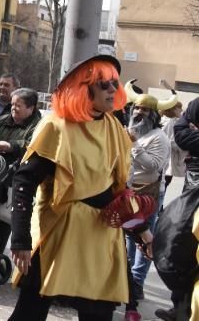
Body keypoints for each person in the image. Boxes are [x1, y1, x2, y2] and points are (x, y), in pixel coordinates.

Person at [8, 54, 149, 321]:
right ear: (85, 88)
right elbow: (24, 182)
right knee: (30, 312)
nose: (112, 89)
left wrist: (142, 230)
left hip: (101, 236)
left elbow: (117, 190)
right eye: (103, 83)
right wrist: (20, 240)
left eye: (114, 83)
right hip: (61, 233)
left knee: (98, 314)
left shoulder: (115, 129)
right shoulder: (56, 126)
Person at [122, 82, 173, 321]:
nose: (137, 113)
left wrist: (132, 145)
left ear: (153, 116)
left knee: (145, 240)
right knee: (130, 237)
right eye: (136, 109)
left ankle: (137, 282)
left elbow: (154, 166)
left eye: (143, 111)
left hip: (150, 194)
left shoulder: (159, 137)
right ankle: (129, 281)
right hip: (130, 192)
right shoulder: (130, 129)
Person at [0, 87, 42, 166]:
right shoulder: (2, 119)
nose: (13, 108)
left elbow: (32, 146)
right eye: (12, 104)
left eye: (18, 105)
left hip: (15, 172)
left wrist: (10, 146)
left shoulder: (39, 127)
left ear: (31, 108)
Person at [162, 98, 186, 190]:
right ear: (172, 109)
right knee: (164, 185)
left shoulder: (167, 120)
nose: (181, 110)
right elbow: (171, 141)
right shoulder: (170, 122)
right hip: (168, 159)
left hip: (166, 158)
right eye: (179, 107)